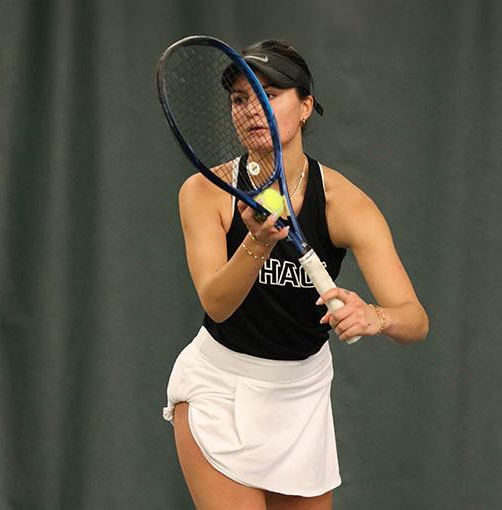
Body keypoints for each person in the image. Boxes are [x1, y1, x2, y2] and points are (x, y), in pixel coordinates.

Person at [163, 39, 429, 509]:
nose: (251, 109)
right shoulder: (203, 193)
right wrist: (259, 242)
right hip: (221, 388)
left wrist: (375, 317)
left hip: (301, 396)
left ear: (305, 107)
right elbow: (216, 303)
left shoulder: (348, 204)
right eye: (240, 99)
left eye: (269, 94)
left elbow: (415, 320)